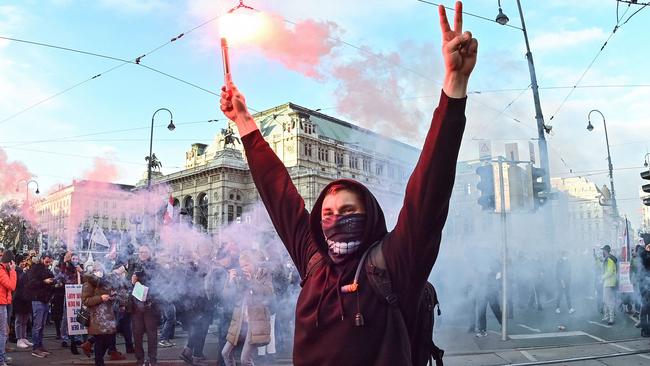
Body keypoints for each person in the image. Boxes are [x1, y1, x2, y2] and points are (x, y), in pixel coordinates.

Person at [218, 2, 476, 363]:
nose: (335, 218)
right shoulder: (313, 261)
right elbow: (279, 194)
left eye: (347, 210)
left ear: (368, 215)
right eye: (327, 212)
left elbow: (428, 193)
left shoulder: (393, 263)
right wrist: (244, 121)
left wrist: (454, 87)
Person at [221, 250, 274, 366]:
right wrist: (230, 281)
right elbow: (226, 296)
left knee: (245, 359)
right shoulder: (240, 277)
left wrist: (252, 281)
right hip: (239, 322)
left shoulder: (263, 274)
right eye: (242, 266)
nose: (243, 268)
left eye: (246, 265)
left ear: (253, 263)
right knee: (225, 353)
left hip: (255, 323)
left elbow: (269, 293)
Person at [81, 262, 117, 366]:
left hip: (107, 315)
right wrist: (100, 298)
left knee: (108, 338)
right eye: (97, 269)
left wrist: (112, 296)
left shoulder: (106, 281)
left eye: (101, 268)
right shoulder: (89, 283)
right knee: (100, 340)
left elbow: (110, 293)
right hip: (96, 316)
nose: (100, 271)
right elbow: (85, 300)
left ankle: (91, 350)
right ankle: (99, 363)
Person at [130, 245, 160, 366]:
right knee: (137, 334)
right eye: (140, 252)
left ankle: (152, 359)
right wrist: (132, 282)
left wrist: (141, 281)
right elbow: (127, 283)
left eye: (145, 252)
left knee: (152, 334)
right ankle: (140, 359)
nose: (142, 254)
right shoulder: (134, 265)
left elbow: (158, 284)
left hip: (150, 305)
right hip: (136, 306)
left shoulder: (155, 266)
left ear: (150, 252)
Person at [25, 252, 55, 358]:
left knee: (42, 325)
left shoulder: (47, 270)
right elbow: (31, 283)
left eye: (51, 259)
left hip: (45, 300)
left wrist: (54, 283)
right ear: (42, 258)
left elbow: (50, 282)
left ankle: (40, 346)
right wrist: (44, 282)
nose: (49, 261)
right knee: (37, 325)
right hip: (37, 299)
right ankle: (35, 348)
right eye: (48, 259)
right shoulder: (35, 268)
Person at [0, 250, 17, 366]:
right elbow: (11, 286)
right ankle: (1, 359)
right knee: (3, 332)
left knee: (3, 332)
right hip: (1, 304)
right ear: (9, 262)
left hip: (3, 303)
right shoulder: (2, 271)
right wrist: (13, 271)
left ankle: (2, 357)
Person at [13, 254, 32, 350]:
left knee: (25, 319)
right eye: (22, 261)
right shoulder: (15, 271)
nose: (24, 263)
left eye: (25, 261)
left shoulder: (27, 270)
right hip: (19, 298)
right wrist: (24, 273)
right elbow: (17, 282)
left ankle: (24, 337)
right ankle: (18, 339)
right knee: (19, 319)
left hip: (27, 298)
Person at [600, 245, 618, 325]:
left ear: (605, 251)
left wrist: (602, 278)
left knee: (609, 302)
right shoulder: (607, 259)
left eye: (603, 250)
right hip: (607, 283)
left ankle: (611, 319)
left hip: (609, 283)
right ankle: (607, 316)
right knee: (605, 300)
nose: (602, 252)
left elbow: (610, 272)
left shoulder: (610, 260)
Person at [555, 250, 575, 314]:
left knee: (567, 295)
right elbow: (558, 272)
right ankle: (557, 308)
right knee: (560, 295)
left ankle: (570, 308)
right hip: (561, 281)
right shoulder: (559, 262)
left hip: (567, 280)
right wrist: (562, 281)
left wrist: (569, 279)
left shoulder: (568, 261)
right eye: (566, 254)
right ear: (563, 255)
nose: (567, 256)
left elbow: (569, 271)